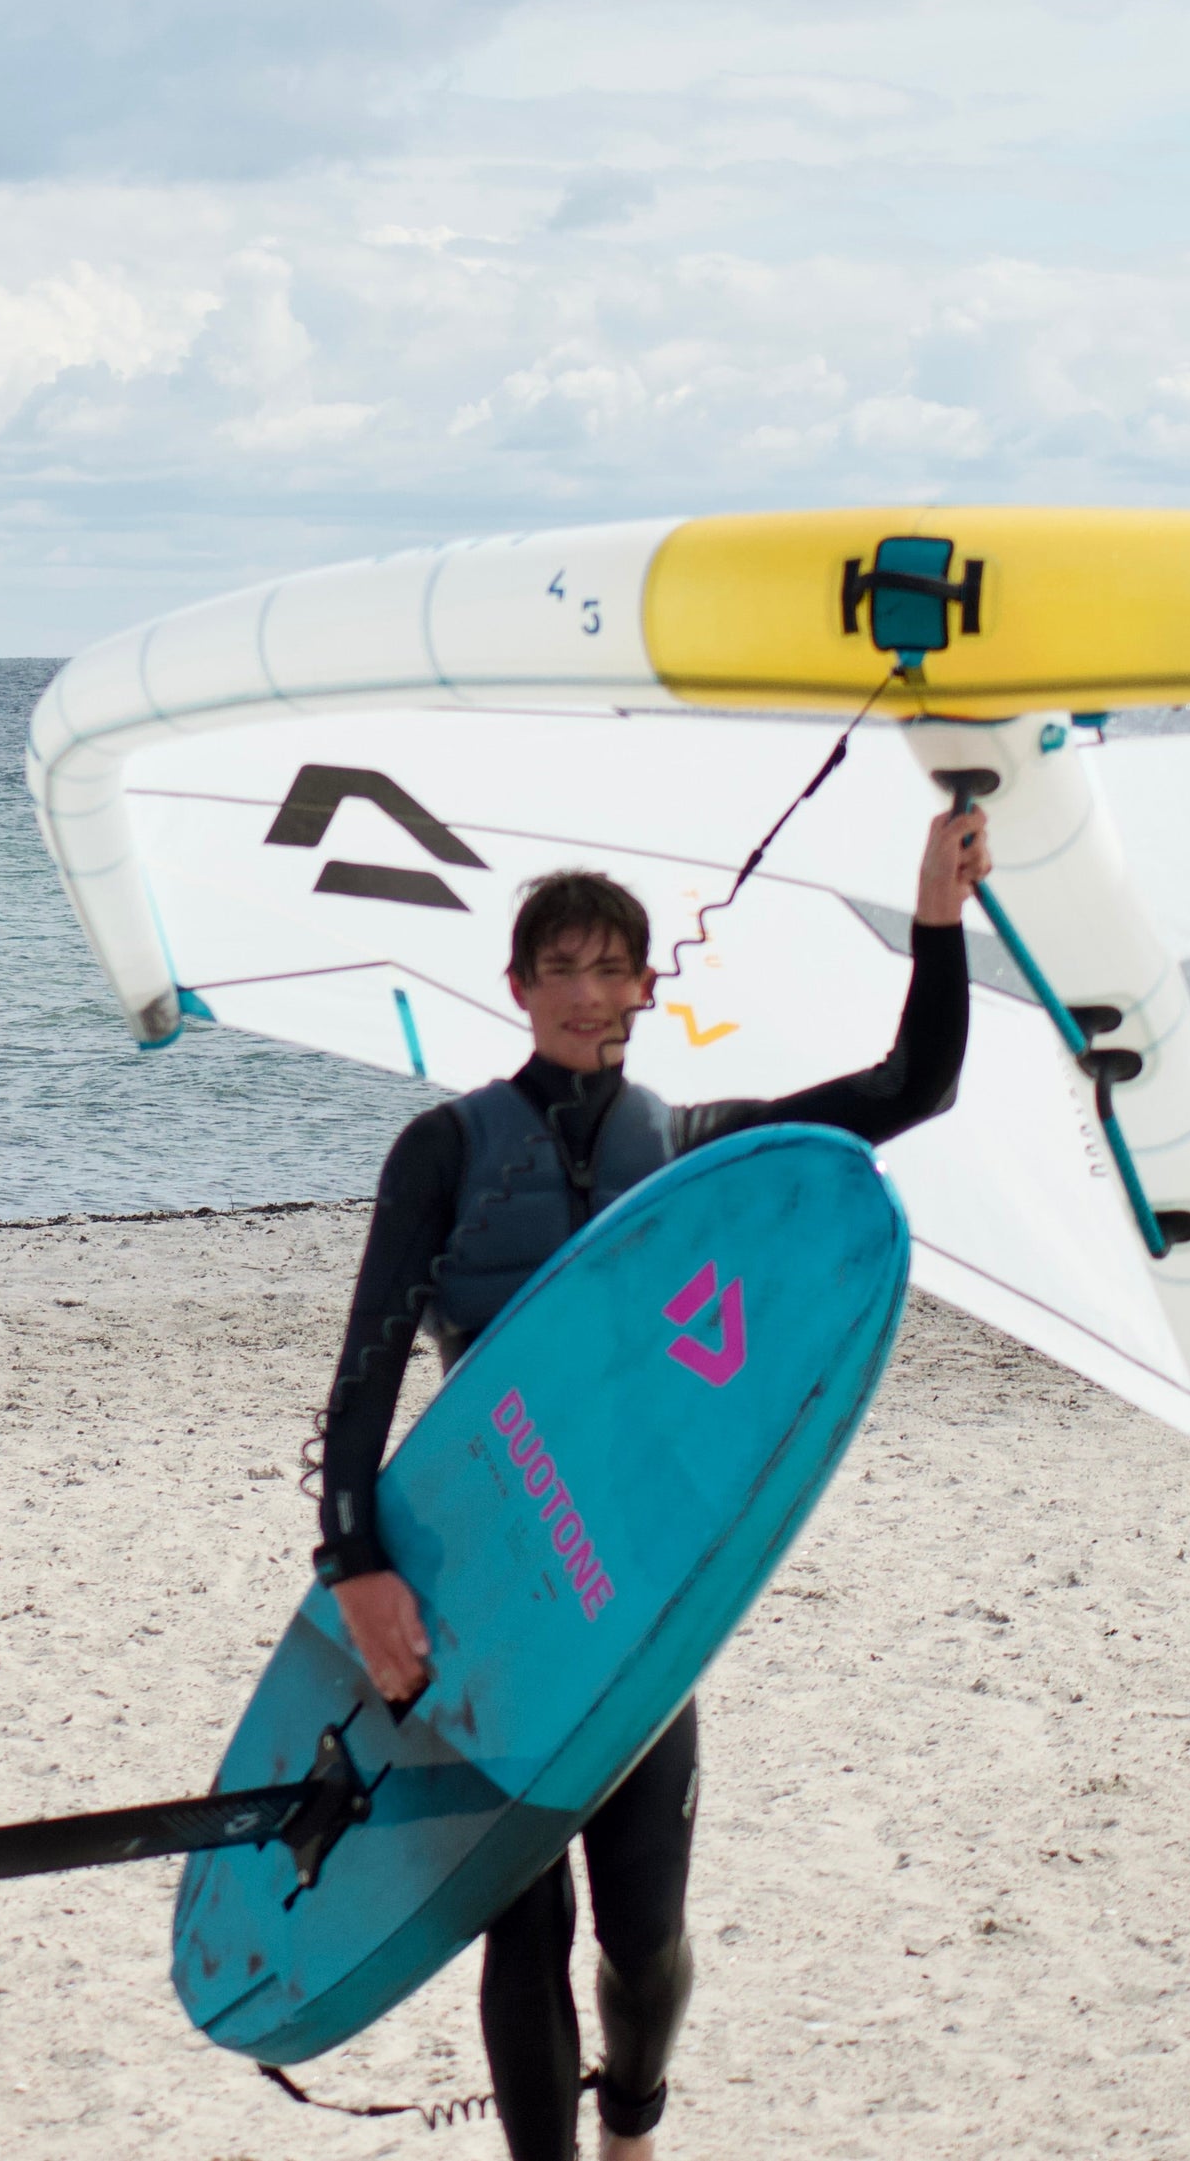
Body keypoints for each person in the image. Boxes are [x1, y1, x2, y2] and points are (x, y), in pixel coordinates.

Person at [310, 808, 988, 2161]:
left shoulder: (692, 1147)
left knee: (645, 1931)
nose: (583, 991)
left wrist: (935, 913)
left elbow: (911, 1087)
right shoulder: (442, 1152)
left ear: (641, 986)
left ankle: (632, 2118)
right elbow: (364, 1378)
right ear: (517, 988)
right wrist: (356, 1563)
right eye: (556, 967)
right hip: (484, 1587)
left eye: (608, 966)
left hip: (637, 1594)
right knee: (522, 1915)